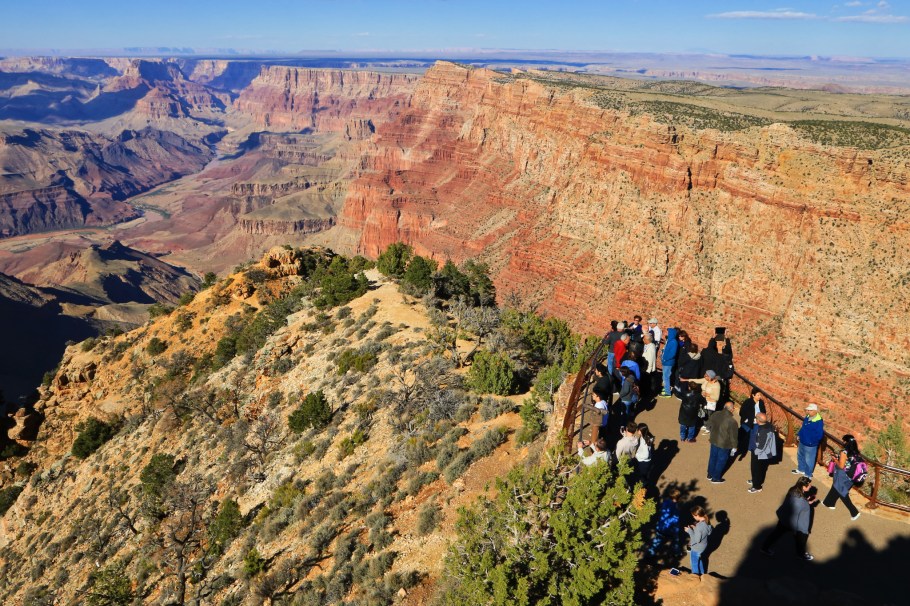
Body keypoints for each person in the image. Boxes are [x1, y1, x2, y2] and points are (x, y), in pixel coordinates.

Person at [760, 476, 817, 560]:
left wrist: (806, 501)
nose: (810, 487)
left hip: (784, 518)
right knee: (801, 539)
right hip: (796, 524)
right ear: (803, 486)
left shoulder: (793, 490)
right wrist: (795, 530)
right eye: (809, 486)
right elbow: (795, 517)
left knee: (776, 534)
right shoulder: (800, 502)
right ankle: (801, 554)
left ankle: (764, 548)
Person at [822, 434, 863, 520]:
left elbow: (841, 466)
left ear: (846, 442)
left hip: (843, 475)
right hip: (851, 476)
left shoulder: (844, 452)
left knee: (842, 492)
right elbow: (848, 462)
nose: (842, 442)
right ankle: (829, 503)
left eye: (843, 441)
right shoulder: (856, 452)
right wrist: (838, 458)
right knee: (836, 486)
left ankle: (854, 512)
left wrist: (835, 459)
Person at [705, 401, 738, 484]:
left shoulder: (716, 414)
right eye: (733, 407)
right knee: (721, 460)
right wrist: (735, 446)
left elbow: (708, 424)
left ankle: (710, 474)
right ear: (731, 409)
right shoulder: (732, 421)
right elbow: (733, 436)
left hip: (714, 440)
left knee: (713, 457)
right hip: (724, 444)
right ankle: (715, 478)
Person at [648, 487, 682, 559]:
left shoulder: (665, 502)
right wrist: (676, 518)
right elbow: (674, 519)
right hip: (670, 529)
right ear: (677, 498)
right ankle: (676, 553)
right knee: (675, 540)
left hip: (660, 526)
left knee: (656, 541)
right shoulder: (674, 507)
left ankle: (650, 553)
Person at [748, 413, 777, 493]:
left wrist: (755, 451)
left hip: (760, 453)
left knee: (756, 469)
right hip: (765, 453)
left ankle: (757, 486)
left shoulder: (763, 431)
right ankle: (755, 480)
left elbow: (761, 446)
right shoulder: (768, 426)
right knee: (761, 469)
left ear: (758, 420)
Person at [795, 403, 824, 479]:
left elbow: (819, 434)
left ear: (815, 411)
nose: (807, 411)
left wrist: (812, 441)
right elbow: (803, 428)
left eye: (810, 410)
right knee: (800, 456)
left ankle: (808, 474)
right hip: (802, 441)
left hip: (810, 444)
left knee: (809, 460)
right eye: (807, 410)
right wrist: (799, 435)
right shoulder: (807, 417)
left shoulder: (818, 421)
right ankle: (801, 469)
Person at [685, 506, 712, 580]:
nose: (693, 517)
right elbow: (708, 532)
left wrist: (689, 531)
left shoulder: (699, 526)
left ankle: (696, 578)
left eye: (693, 516)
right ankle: (703, 575)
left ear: (697, 515)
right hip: (704, 546)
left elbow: (697, 540)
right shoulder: (707, 522)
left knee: (694, 563)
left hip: (697, 548)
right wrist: (695, 528)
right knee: (699, 560)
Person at [738, 388, 766, 459]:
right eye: (758, 395)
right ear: (753, 395)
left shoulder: (761, 403)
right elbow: (742, 412)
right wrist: (747, 419)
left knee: (754, 436)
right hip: (748, 422)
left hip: (757, 422)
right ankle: (738, 447)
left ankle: (751, 448)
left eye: (760, 395)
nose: (759, 397)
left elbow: (764, 412)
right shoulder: (748, 402)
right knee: (744, 435)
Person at [660, 327, 679, 397]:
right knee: (664, 376)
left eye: (668, 332)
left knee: (666, 377)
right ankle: (666, 388)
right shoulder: (669, 340)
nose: (666, 333)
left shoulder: (674, 342)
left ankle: (667, 393)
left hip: (668, 362)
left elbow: (672, 353)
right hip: (666, 361)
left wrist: (665, 359)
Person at [642, 333, 657, 398]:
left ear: (647, 340)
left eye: (644, 339)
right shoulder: (647, 345)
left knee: (649, 382)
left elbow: (651, 359)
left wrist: (648, 370)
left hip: (649, 368)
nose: (643, 340)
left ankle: (649, 394)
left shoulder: (651, 347)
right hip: (646, 366)